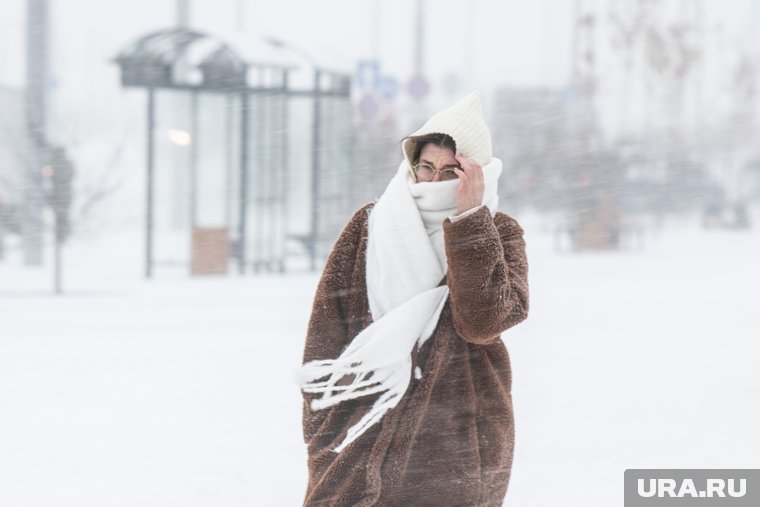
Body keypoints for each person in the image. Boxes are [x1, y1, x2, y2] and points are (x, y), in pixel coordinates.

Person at [298, 91, 529, 506]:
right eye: (426, 167)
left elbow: (482, 324)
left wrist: (469, 221)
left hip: (457, 444)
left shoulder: (498, 231)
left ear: (475, 174)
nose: (434, 181)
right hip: (361, 429)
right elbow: (327, 328)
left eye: (450, 171)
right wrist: (323, 423)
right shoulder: (370, 225)